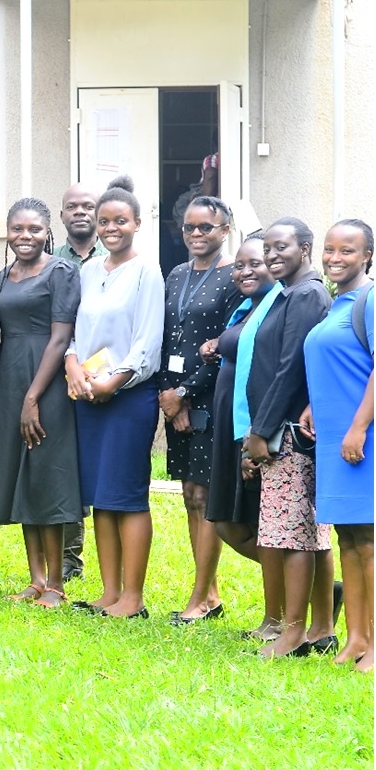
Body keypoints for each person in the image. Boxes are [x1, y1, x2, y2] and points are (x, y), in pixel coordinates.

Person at [64, 175, 164, 619]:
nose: (110, 228)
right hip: (88, 396)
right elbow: (74, 332)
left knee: (127, 495)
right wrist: (72, 367)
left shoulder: (147, 271)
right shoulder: (88, 271)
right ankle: (108, 592)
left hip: (127, 398)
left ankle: (133, 597)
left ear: (137, 223)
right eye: (104, 221)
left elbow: (147, 341)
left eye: (120, 221)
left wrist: (114, 382)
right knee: (100, 495)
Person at [0, 197, 81, 608]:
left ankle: (57, 582)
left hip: (46, 381)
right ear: (8, 231)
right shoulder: (4, 276)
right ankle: (36, 579)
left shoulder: (62, 272)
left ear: (47, 233)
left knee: (46, 475)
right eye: (18, 229)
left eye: (34, 230)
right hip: (10, 380)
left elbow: (61, 337)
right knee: (22, 473)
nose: (25, 236)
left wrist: (33, 396)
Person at [244, 217, 335, 658]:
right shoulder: (291, 293)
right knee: (310, 533)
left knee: (292, 534)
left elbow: (289, 368)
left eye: (282, 247)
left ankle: (294, 632)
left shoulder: (305, 295)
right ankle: (321, 627)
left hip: (289, 435)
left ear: (305, 248)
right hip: (287, 429)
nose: (272, 255)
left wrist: (259, 431)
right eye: (268, 248)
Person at [160, 197, 239, 624]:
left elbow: (225, 348)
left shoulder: (233, 278)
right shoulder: (175, 274)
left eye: (206, 227)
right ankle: (208, 591)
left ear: (225, 230)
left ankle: (200, 597)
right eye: (189, 226)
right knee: (190, 496)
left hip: (209, 398)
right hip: (175, 400)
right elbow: (167, 338)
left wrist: (186, 394)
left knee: (206, 496)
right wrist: (169, 397)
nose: (195, 234)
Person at [301, 219, 374, 671]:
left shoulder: (369, 301)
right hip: (333, 439)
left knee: (368, 540)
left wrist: (358, 427)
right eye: (329, 250)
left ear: (367, 255)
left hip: (360, 440)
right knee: (348, 539)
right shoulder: (335, 305)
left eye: (347, 250)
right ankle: (356, 638)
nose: (334, 258)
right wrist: (312, 406)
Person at [202, 235, 280, 641]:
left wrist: (256, 435)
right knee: (229, 523)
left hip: (254, 430)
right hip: (230, 430)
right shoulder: (247, 308)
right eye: (239, 265)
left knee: (264, 527)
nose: (245, 271)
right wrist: (217, 345)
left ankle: (279, 614)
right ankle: (309, 590)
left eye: (256, 264)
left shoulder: (277, 307)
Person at [55, 182, 103, 581]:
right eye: (73, 206)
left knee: (96, 468)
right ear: (62, 215)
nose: (81, 212)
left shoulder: (117, 257)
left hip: (107, 377)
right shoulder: (51, 259)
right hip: (58, 374)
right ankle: (69, 560)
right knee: (64, 465)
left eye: (89, 206)